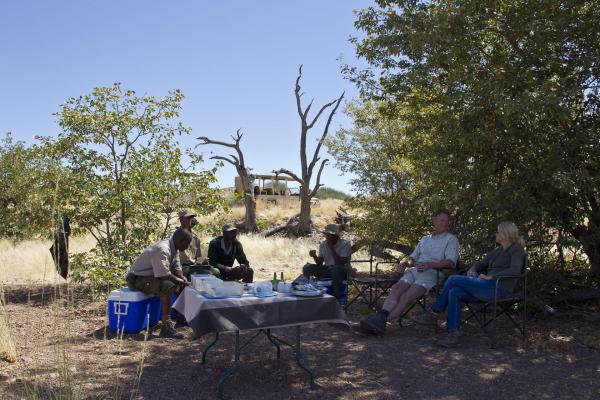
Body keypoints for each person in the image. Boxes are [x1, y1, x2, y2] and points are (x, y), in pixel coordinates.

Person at [412, 221, 526, 347]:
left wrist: (491, 276)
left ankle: (434, 313)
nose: (496, 234)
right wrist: (473, 269)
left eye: (498, 232)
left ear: (505, 234)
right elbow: (481, 263)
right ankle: (453, 334)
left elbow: (514, 270)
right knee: (454, 292)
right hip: (485, 286)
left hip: (500, 288)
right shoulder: (498, 250)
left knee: (453, 279)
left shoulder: (516, 249)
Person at [359, 209, 459, 335]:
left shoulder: (451, 239)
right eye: (441, 220)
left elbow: (450, 262)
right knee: (397, 288)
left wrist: (430, 264)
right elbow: (412, 258)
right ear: (434, 221)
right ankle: (378, 321)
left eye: (446, 221)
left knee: (407, 296)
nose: (444, 223)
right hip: (415, 270)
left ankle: (379, 321)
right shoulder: (425, 239)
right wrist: (404, 264)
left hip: (433, 272)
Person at [126, 228, 192, 338]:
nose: (187, 247)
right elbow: (163, 274)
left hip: (150, 277)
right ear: (182, 241)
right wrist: (180, 281)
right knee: (167, 285)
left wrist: (181, 277)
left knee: (179, 283)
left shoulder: (174, 248)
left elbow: (176, 265)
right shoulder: (162, 249)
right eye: (187, 243)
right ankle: (166, 326)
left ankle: (180, 317)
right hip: (137, 279)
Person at [302, 224, 352, 300]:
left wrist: (331, 248)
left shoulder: (345, 244)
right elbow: (319, 263)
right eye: (326, 235)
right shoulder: (323, 244)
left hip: (341, 270)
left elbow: (340, 263)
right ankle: (308, 290)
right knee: (307, 267)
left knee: (336, 269)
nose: (327, 237)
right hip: (327, 269)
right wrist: (314, 256)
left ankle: (336, 296)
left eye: (329, 235)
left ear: (336, 236)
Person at [177, 209, 220, 279]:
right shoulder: (176, 234)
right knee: (209, 274)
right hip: (180, 267)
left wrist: (202, 264)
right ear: (181, 220)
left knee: (216, 272)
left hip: (192, 266)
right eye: (188, 218)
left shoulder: (195, 237)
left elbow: (196, 258)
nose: (190, 220)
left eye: (191, 218)